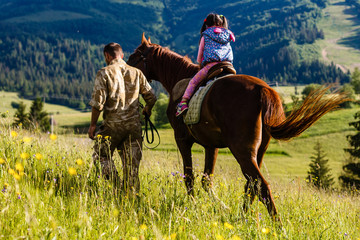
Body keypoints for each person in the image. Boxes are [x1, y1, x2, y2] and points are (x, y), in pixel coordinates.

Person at [88, 42, 157, 194]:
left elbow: (98, 104)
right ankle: (131, 199)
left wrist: (93, 125)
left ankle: (116, 185)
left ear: (107, 56)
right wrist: (147, 109)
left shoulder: (104, 73)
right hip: (134, 127)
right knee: (131, 169)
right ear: (122, 55)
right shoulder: (137, 73)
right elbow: (151, 97)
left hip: (112, 127)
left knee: (100, 156)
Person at [176, 13, 235, 117]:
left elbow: (200, 54)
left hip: (211, 66)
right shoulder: (228, 33)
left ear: (207, 24)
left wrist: (200, 62)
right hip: (228, 65)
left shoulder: (206, 34)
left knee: (193, 82)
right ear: (221, 22)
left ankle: (183, 103)